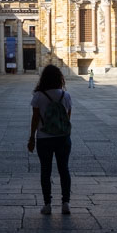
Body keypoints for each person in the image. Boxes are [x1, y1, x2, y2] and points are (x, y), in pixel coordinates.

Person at [28, 64, 72, 215]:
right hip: (63, 138)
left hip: (44, 138)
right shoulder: (66, 96)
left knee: (45, 171)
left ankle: (47, 204)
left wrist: (31, 138)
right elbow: (67, 118)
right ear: (60, 78)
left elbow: (34, 119)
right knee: (64, 170)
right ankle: (66, 203)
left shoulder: (39, 96)